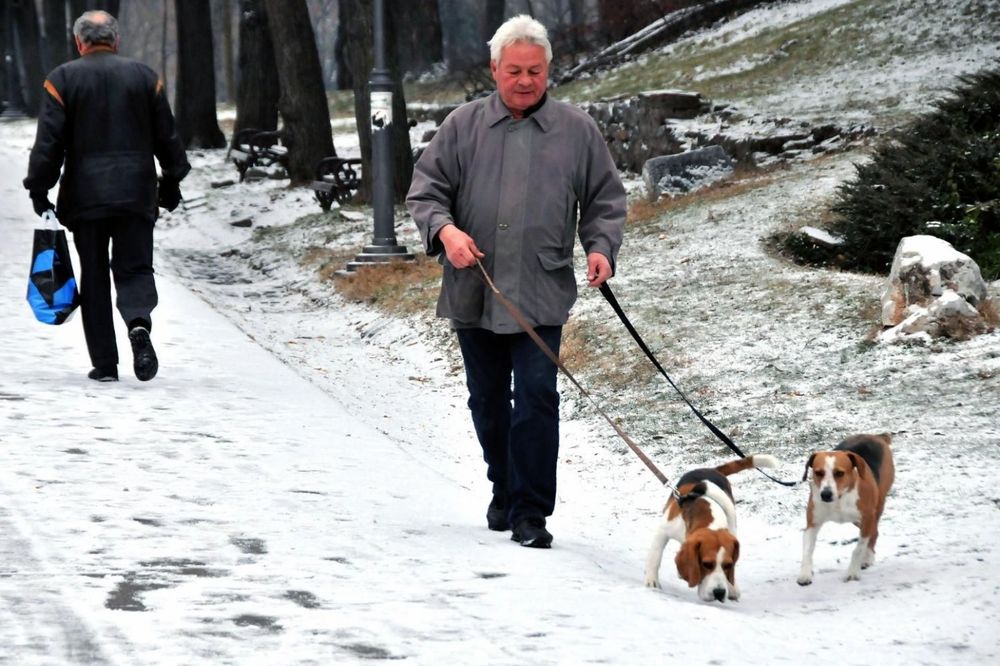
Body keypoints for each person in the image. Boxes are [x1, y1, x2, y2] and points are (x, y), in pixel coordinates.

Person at [406, 15, 626, 548]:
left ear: (548, 69)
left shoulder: (577, 131)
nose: (524, 81)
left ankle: (531, 512)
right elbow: (425, 193)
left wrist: (600, 248)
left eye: (534, 71)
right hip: (473, 290)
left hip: (541, 290)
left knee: (535, 395)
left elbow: (604, 198)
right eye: (513, 71)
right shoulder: (462, 125)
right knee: (486, 399)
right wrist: (446, 231)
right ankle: (503, 489)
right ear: (494, 70)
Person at [23, 10, 189, 383]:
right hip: (136, 193)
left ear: (79, 42)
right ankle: (138, 323)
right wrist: (172, 179)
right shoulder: (145, 78)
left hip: (86, 197)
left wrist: (39, 187)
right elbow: (168, 137)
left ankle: (104, 364)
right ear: (115, 40)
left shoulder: (62, 80)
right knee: (134, 268)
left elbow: (49, 143)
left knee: (94, 274)